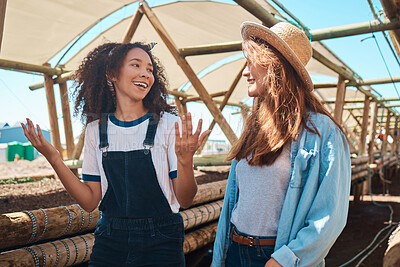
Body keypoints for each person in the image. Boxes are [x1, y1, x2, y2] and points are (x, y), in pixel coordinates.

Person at [22, 42, 210, 266]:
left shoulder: (169, 125)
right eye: (136, 65)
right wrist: (54, 158)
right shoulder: (95, 130)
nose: (145, 74)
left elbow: (185, 200)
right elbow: (90, 200)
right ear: (112, 74)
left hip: (161, 241)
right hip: (110, 241)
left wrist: (185, 161)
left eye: (150, 69)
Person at [212, 22, 351, 267]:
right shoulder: (254, 128)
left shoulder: (322, 132)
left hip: (274, 258)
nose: (245, 72)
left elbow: (330, 216)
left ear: (275, 66)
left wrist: (284, 260)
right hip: (235, 251)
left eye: (250, 62)